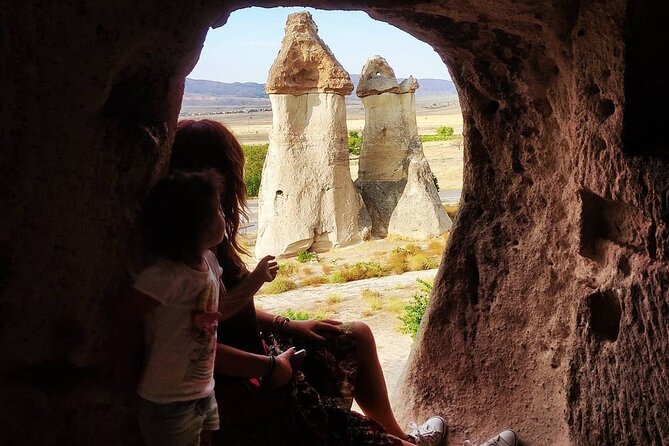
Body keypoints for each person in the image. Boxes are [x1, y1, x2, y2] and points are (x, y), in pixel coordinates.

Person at [170, 120, 447, 446]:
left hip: (260, 363)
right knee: (345, 427)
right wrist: (272, 366)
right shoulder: (189, 255)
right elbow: (194, 344)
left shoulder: (203, 238)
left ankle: (403, 437)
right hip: (248, 386)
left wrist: (287, 324)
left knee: (354, 336)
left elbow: (226, 310)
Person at [111, 170, 281, 446]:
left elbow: (219, 310)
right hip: (166, 399)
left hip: (203, 389)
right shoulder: (164, 278)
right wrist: (124, 373)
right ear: (196, 226)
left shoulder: (209, 262)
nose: (224, 217)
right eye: (217, 211)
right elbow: (124, 319)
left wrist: (257, 278)